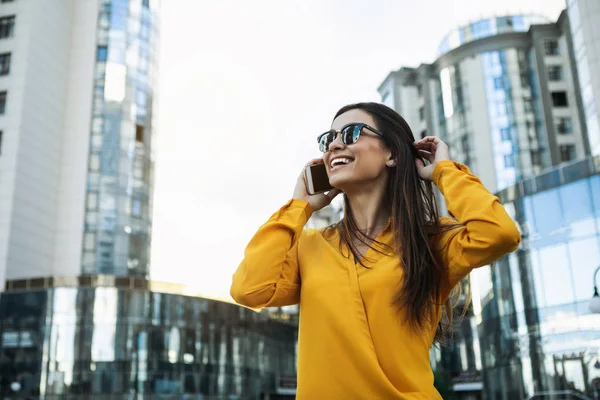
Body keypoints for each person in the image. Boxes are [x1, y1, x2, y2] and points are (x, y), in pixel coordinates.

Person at [230, 102, 521, 399]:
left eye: (352, 133)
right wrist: (298, 206)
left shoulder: (430, 241)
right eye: (328, 139)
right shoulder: (310, 245)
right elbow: (249, 289)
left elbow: (499, 234)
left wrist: (444, 171)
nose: (335, 145)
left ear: (391, 154)